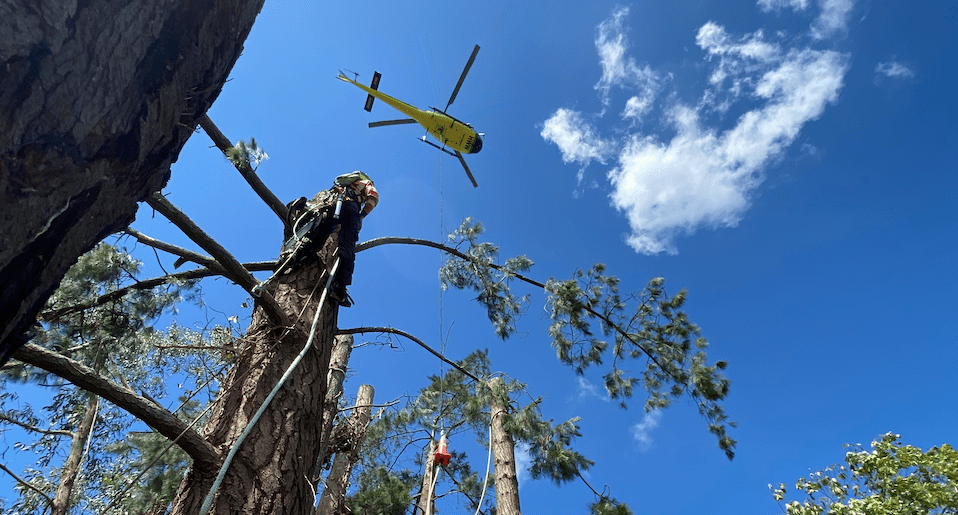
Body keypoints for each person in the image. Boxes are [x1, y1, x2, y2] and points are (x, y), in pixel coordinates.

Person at [329, 170, 378, 307]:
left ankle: (299, 255)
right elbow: (374, 197)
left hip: (332, 207)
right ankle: (339, 289)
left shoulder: (343, 185)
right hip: (349, 208)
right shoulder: (364, 183)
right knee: (347, 247)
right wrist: (362, 215)